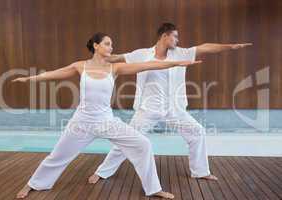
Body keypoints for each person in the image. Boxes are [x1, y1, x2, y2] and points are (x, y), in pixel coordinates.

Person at [13, 32, 202, 199]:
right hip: (82, 122)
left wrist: (176, 62)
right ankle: (34, 184)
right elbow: (55, 74)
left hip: (106, 121)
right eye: (107, 43)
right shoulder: (81, 66)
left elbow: (146, 65)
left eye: (112, 44)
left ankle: (153, 189)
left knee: (143, 144)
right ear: (95, 45)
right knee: (58, 156)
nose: (111, 47)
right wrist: (30, 78)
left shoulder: (115, 68)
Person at [89, 23, 252, 184]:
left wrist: (230, 47)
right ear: (164, 36)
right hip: (148, 109)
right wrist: (95, 59)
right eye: (175, 36)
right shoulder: (142, 54)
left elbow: (205, 48)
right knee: (128, 140)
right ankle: (102, 172)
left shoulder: (182, 53)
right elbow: (116, 58)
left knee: (197, 132)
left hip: (174, 109)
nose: (177, 40)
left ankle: (200, 171)